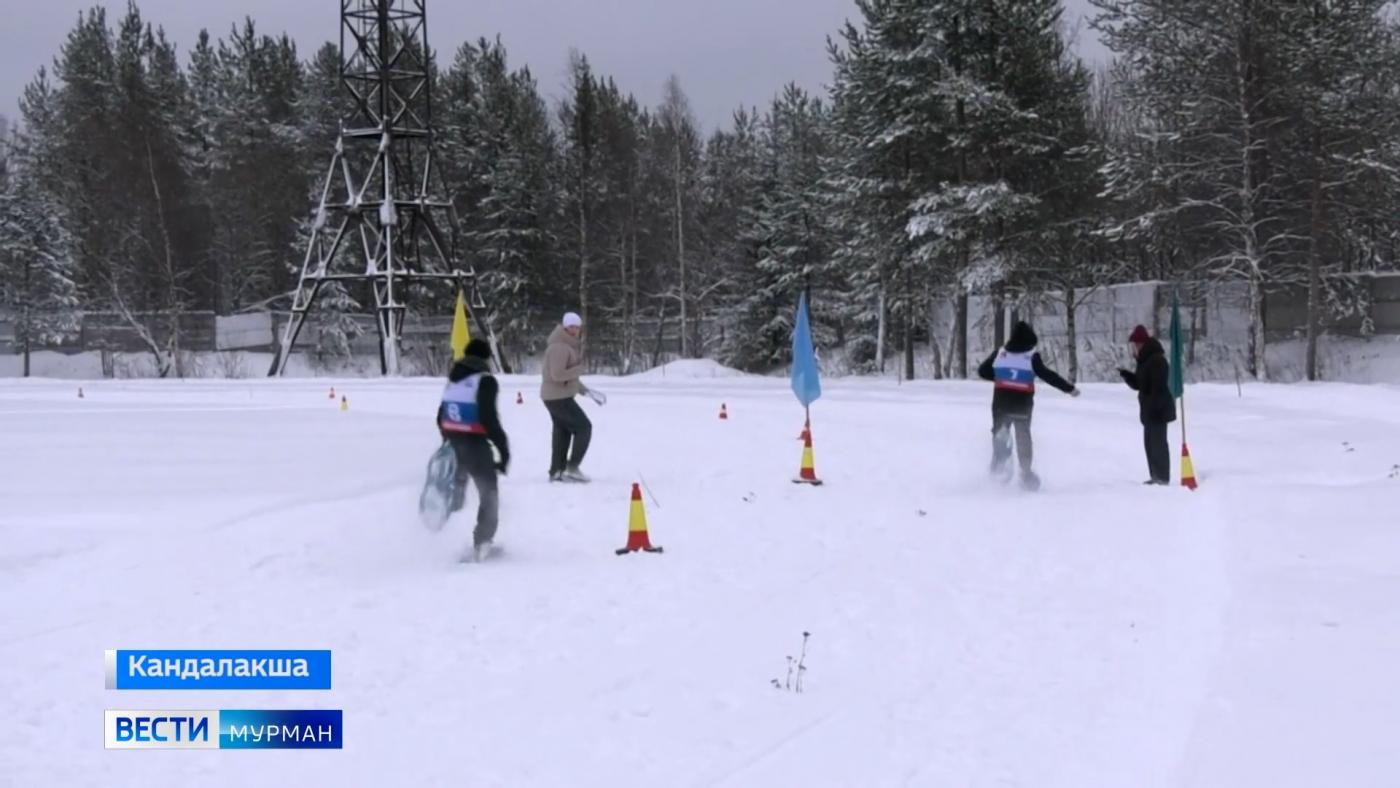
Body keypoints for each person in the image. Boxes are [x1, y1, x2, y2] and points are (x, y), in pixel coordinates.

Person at [977, 321, 1080, 489]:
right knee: (1023, 436)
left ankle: (996, 470)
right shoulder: (1031, 356)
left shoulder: (1000, 353)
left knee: (1000, 435)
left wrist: (1000, 378)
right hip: (1022, 405)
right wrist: (1069, 389)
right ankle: (1025, 473)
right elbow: (1047, 375)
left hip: (1000, 404)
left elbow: (983, 371)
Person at [438, 338, 510, 560]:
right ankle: (482, 542)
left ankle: (434, 539)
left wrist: (447, 441)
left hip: (453, 442)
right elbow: (488, 417)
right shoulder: (485, 380)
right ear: (487, 357)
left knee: (454, 493)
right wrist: (503, 450)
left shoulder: (453, 378)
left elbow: (441, 414)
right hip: (476, 445)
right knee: (489, 494)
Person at [1118, 324, 1176, 485]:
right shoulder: (1144, 361)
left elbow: (1158, 388)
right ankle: (1154, 475)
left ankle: (1162, 477)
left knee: (1158, 445)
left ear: (1143, 343)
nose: (1134, 348)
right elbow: (1139, 384)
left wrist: (1154, 407)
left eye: (1136, 344)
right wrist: (1126, 375)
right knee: (1150, 445)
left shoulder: (1157, 360)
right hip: (1149, 411)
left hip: (1158, 410)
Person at [541, 311, 593, 482]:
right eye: (571, 326)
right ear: (564, 327)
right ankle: (572, 467)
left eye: (577, 327)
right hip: (558, 397)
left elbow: (566, 377)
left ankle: (556, 471)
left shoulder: (565, 345)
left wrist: (585, 390)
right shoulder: (560, 347)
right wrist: (579, 370)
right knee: (584, 427)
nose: (575, 330)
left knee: (562, 431)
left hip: (555, 396)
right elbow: (557, 375)